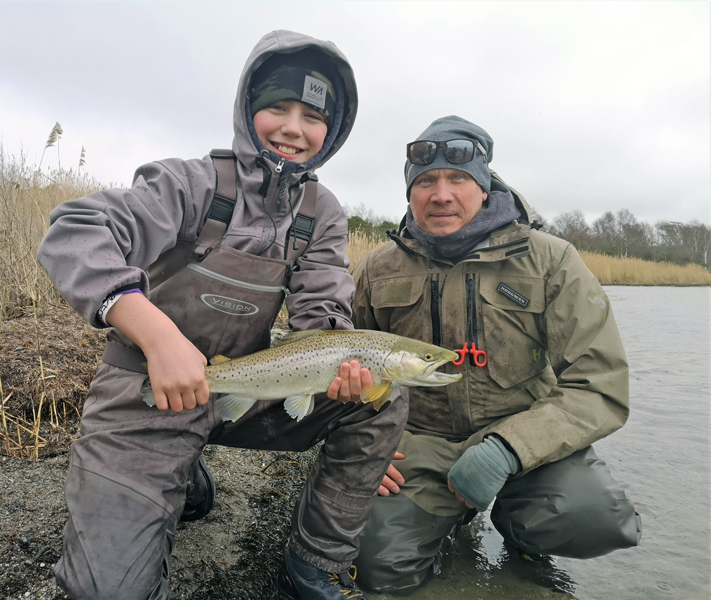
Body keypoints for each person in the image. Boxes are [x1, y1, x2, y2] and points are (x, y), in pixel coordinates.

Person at [38, 30, 402, 600]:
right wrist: (157, 336)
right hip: (147, 393)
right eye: (276, 108)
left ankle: (314, 563)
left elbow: (323, 310)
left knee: (387, 392)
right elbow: (74, 232)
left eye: (311, 116)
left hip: (243, 391)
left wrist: (341, 362)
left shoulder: (323, 212)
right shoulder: (190, 183)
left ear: (331, 132)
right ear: (246, 109)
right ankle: (175, 473)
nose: (292, 128)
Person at [350, 116, 642, 595]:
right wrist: (362, 451)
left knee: (593, 519)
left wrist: (508, 450)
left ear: (485, 188)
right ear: (410, 194)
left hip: (526, 440)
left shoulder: (553, 260)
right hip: (418, 444)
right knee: (372, 563)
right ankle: (447, 521)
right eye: (425, 181)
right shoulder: (376, 268)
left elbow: (599, 383)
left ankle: (522, 527)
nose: (441, 194)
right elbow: (342, 377)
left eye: (458, 179)